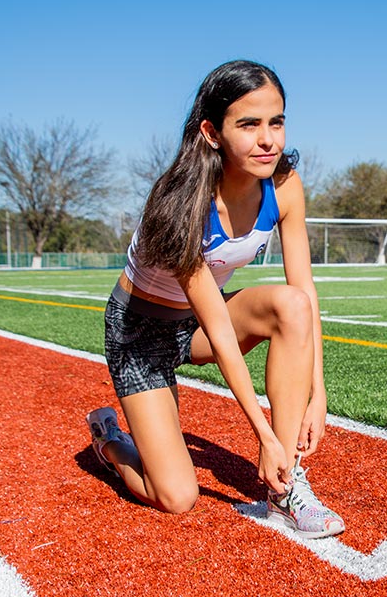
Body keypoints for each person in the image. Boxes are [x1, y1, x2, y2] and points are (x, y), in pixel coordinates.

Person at [85, 60, 344, 539]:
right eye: (248, 124)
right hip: (140, 333)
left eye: (277, 121)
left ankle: (285, 490)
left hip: (198, 324)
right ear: (212, 131)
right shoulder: (179, 204)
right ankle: (111, 443)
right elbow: (223, 335)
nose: (268, 139)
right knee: (177, 498)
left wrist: (318, 393)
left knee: (291, 305)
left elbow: (304, 291)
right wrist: (261, 435)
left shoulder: (284, 185)